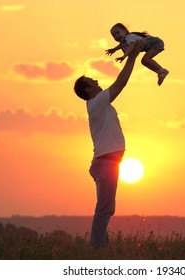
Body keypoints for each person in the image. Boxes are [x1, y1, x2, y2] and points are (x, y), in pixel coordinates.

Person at [74, 40, 143, 248]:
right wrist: (133, 56)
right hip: (105, 164)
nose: (96, 80)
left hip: (107, 163)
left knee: (106, 208)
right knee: (104, 210)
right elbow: (121, 82)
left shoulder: (98, 104)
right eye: (92, 81)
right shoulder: (96, 102)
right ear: (88, 89)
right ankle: (95, 251)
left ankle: (101, 248)